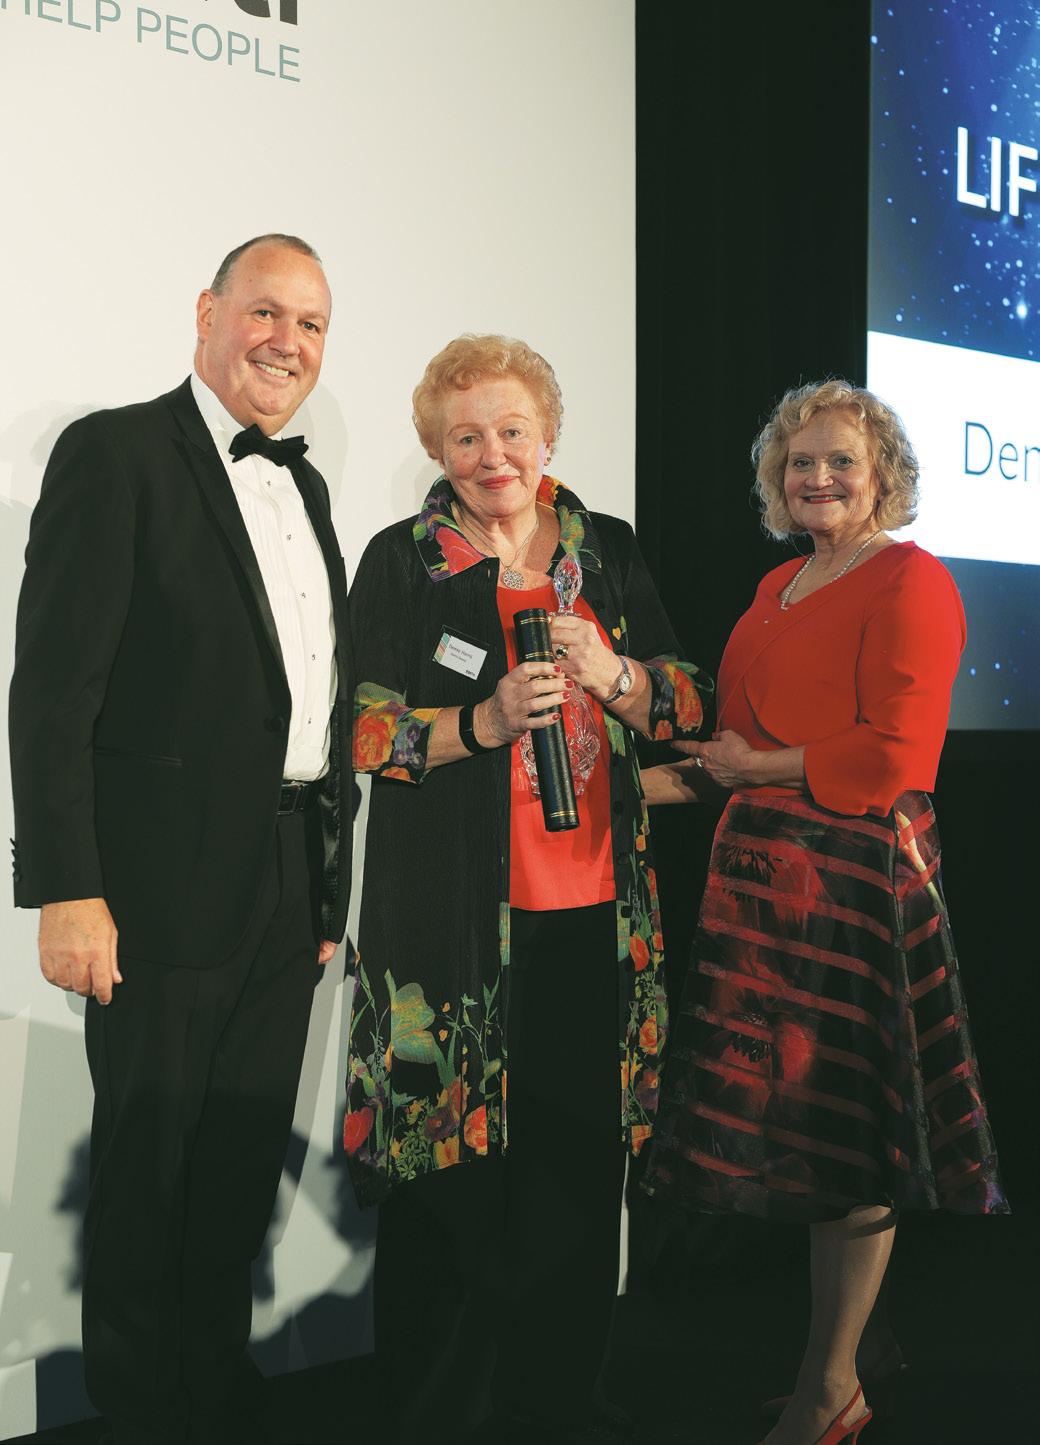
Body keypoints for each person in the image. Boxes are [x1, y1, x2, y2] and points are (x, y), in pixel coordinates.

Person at [8, 234, 352, 1445]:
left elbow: (310, 705)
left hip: (287, 882)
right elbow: (52, 690)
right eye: (265, 312)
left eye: (311, 324)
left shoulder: (306, 489)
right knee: (147, 1162)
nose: (286, 342)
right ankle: (138, 1407)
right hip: (153, 886)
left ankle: (212, 1388)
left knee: (242, 1155)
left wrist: (324, 892)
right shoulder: (115, 454)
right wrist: (67, 887)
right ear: (207, 313)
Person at [343, 334, 710, 1444]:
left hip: (595, 920)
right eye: (465, 436)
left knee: (574, 1177)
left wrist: (618, 675)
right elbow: (361, 729)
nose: (491, 453)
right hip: (447, 928)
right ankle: (436, 1414)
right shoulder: (403, 561)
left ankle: (559, 1402)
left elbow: (689, 700)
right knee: (445, 1184)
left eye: (511, 429)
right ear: (436, 449)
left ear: (547, 434)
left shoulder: (606, 550)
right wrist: (482, 720)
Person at [641, 379, 1008, 1445]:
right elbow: (732, 740)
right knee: (809, 1128)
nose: (817, 477)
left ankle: (830, 1388)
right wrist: (622, 783)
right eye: (798, 462)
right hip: (765, 888)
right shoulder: (780, 582)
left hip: (852, 885)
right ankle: (860, 1344)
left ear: (882, 473)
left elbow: (898, 754)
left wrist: (754, 767)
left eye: (841, 459)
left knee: (851, 1133)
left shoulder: (912, 577)